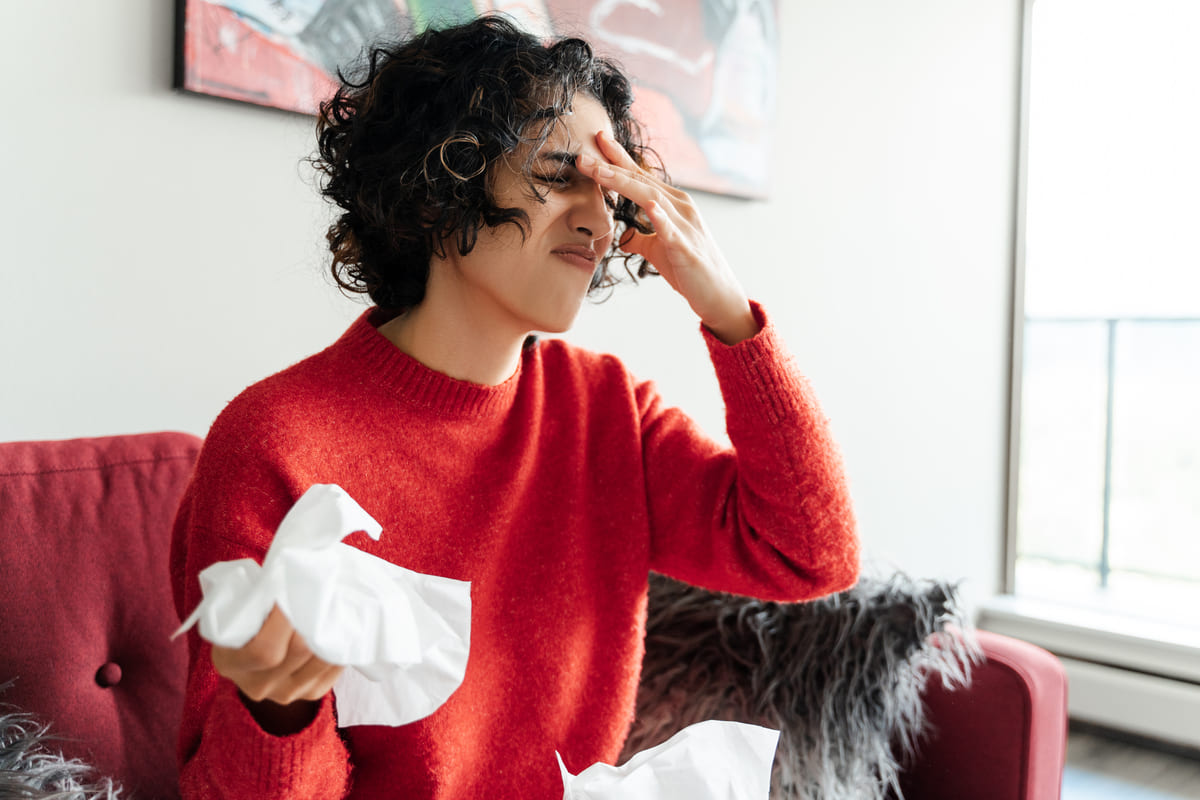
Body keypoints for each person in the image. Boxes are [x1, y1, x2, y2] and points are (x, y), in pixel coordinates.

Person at [170, 14, 859, 800]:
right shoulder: (275, 443)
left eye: (612, 193)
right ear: (441, 185)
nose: (600, 221)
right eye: (561, 174)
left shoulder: (605, 409)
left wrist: (728, 307)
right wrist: (277, 713)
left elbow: (811, 553)